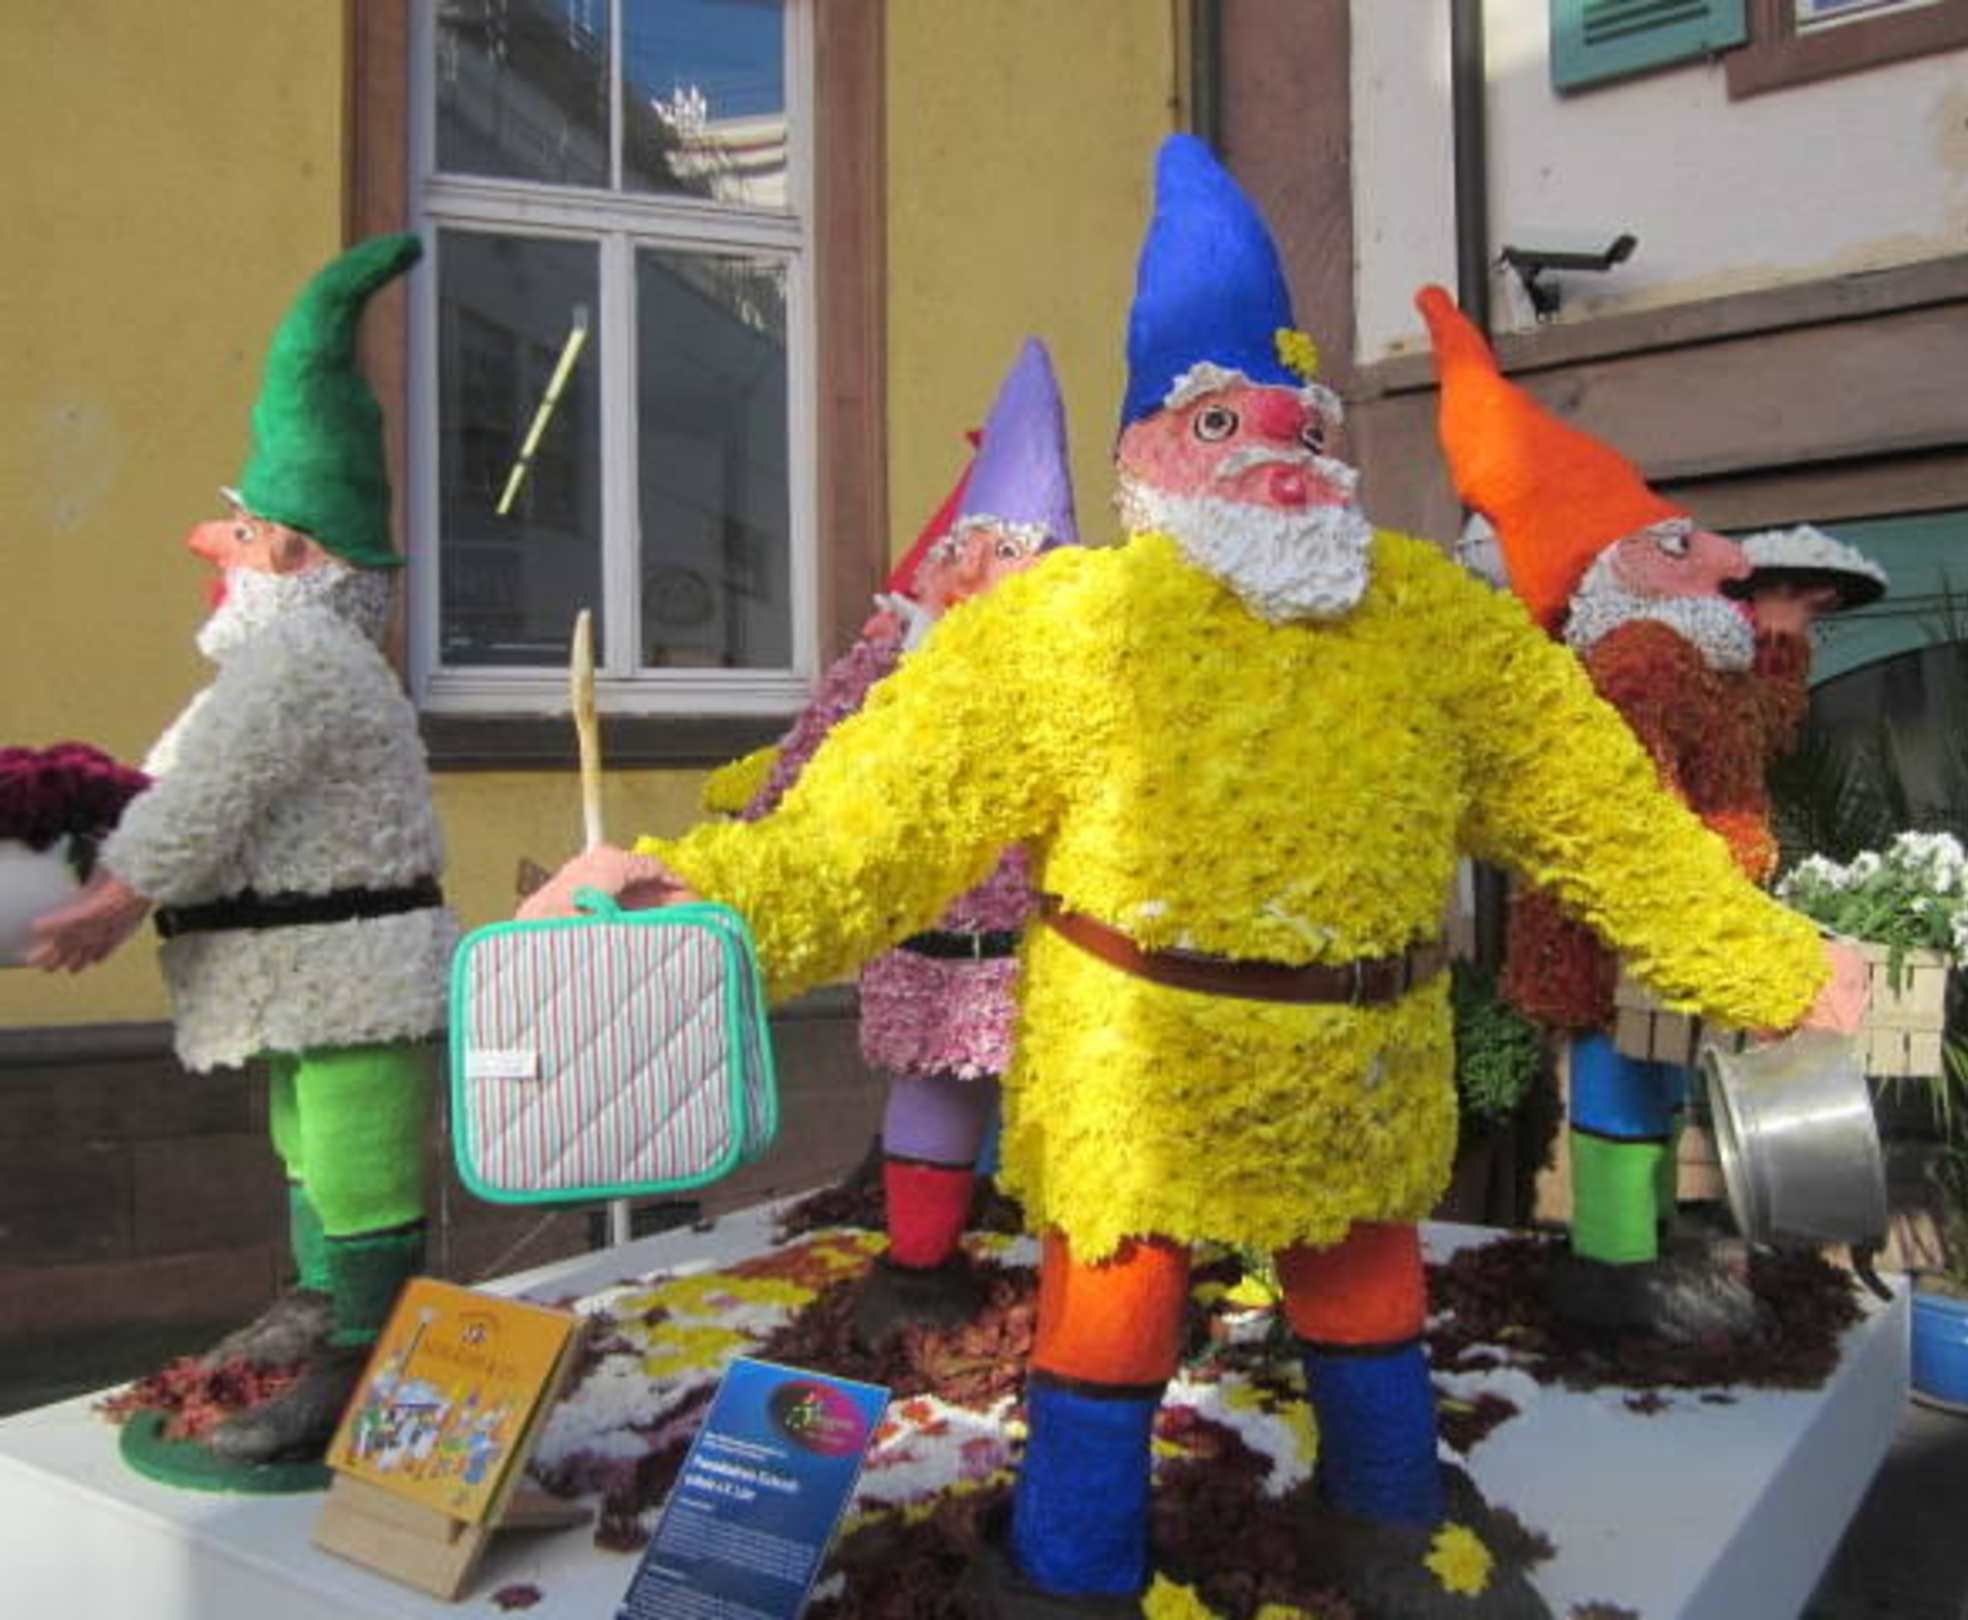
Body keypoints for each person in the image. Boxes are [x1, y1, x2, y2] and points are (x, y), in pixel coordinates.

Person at [525, 137, 1864, 1617]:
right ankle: (1075, 1568)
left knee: (1368, 1292)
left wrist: (1776, 965)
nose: (1280, 454)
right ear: (1143, 455)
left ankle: (1392, 1528)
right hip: (1137, 1072)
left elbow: (1607, 821)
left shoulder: (1438, 625)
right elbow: (870, 830)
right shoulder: (1060, 627)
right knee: (1115, 1303)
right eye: (1223, 419)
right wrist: (694, 898)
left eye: (1307, 423)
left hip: (1364, 1067)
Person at [31, 234, 455, 1467]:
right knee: (307, 1146)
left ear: (293, 556)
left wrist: (114, 897)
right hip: (299, 980)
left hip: (352, 979)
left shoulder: (300, 660)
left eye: (239, 530)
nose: (208, 546)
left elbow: (205, 794)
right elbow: (170, 782)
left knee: (360, 1161)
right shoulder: (279, 664)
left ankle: (363, 1356)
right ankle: (322, 1308)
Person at [1419, 288, 1875, 1340]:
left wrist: (1781, 632)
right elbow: (1631, 816)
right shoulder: (1636, 661)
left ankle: (1647, 1248)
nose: (1727, 559)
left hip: (1670, 919)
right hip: (1624, 928)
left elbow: (1752, 734)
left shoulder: (1687, 655)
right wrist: (1697, 908)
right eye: (1680, 548)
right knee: (1624, 1080)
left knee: (1654, 1079)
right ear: (1617, 573)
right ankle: (1617, 1266)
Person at [719, 340, 1077, 1343]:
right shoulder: (891, 679)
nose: (977, 581)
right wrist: (753, 846)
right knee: (946, 1097)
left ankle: (1063, 1290)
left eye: (1007, 558)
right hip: (945, 948)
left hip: (1053, 955)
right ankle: (927, 1270)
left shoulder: (1070, 682)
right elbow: (806, 769)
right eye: (971, 558)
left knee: (1056, 1113)